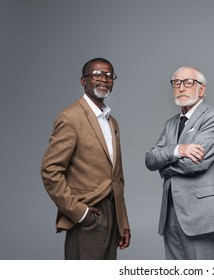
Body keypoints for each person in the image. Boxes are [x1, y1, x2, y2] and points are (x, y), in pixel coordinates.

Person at [41, 57, 131, 259]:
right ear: (83, 80)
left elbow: (117, 178)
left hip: (113, 215)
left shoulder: (112, 122)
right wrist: (80, 212)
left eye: (109, 75)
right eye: (98, 74)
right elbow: (50, 171)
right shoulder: (70, 117)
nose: (105, 79)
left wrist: (122, 222)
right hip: (88, 215)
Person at [145, 66, 214, 260]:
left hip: (203, 215)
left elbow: (195, 164)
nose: (181, 87)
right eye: (176, 83)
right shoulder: (171, 123)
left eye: (188, 82)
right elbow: (150, 158)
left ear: (201, 89)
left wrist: (165, 167)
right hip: (171, 214)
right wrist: (179, 150)